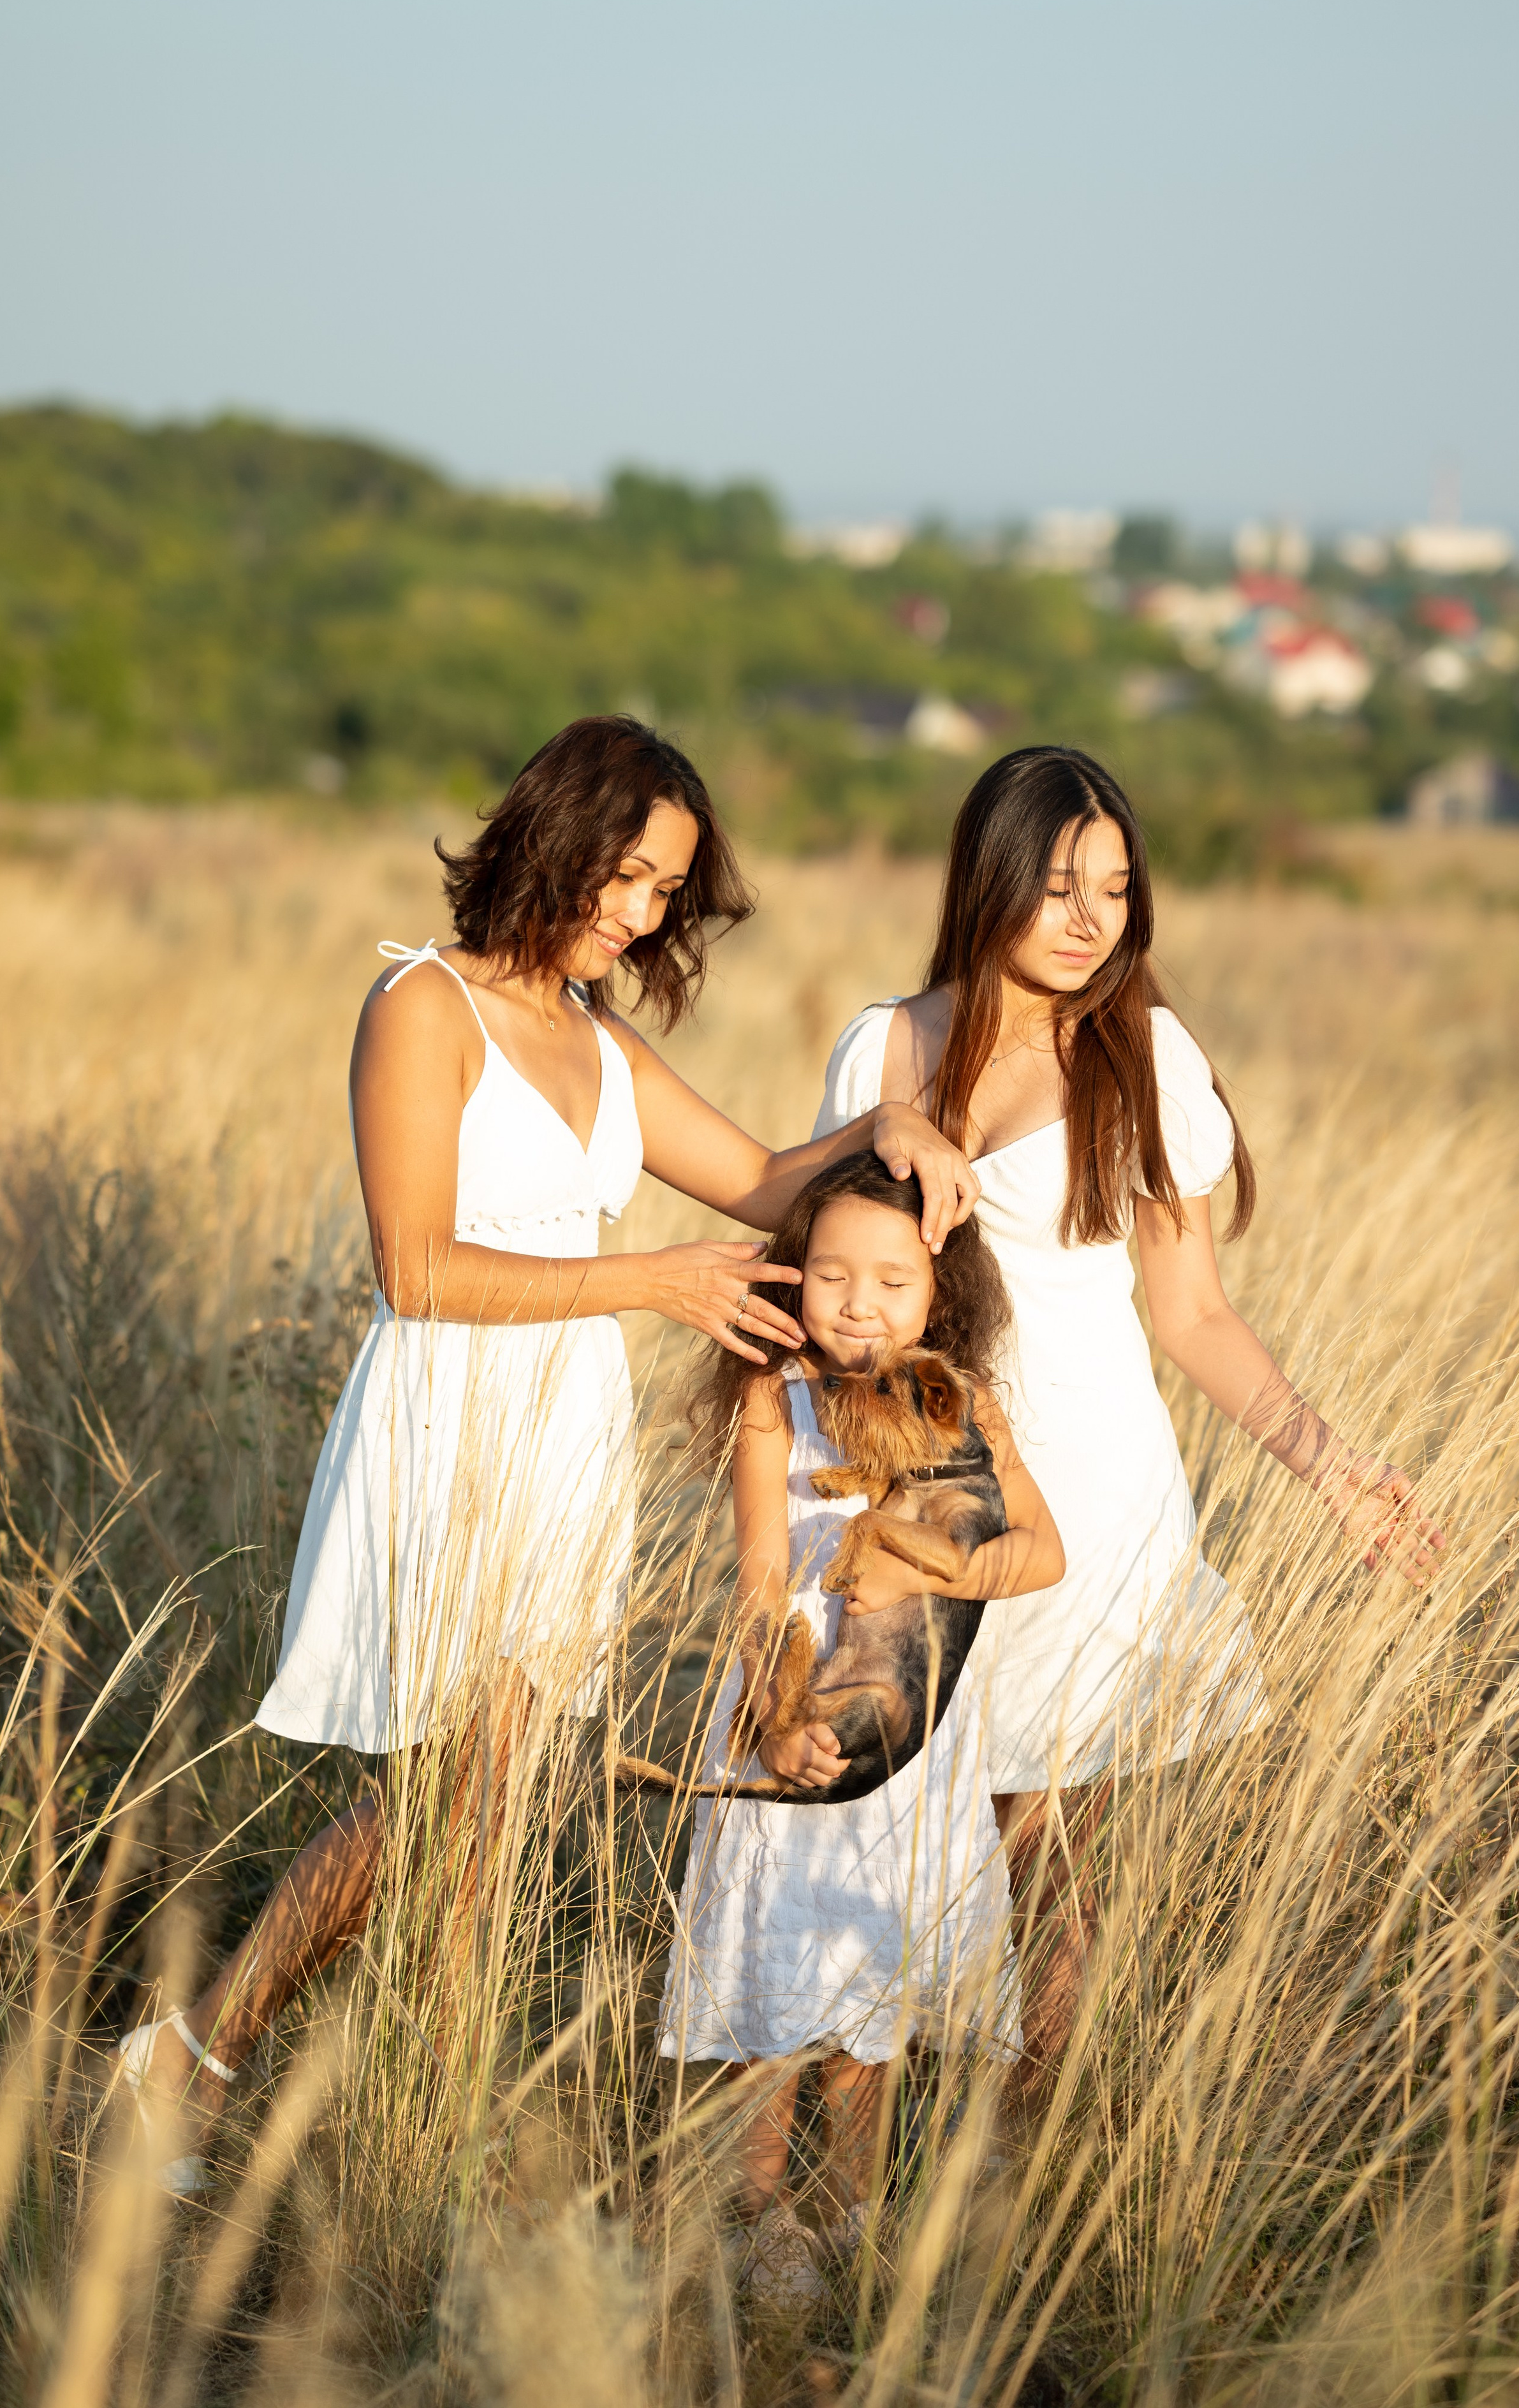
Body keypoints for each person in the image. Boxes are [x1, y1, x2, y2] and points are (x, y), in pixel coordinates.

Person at [114, 715, 979, 2192]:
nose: (641, 913)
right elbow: (414, 1268)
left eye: (665, 892)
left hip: (564, 1429)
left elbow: (770, 1179)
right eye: (629, 875)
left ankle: (389, 2104)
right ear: (557, 836)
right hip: (449, 1414)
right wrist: (649, 1278)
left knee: (497, 1795)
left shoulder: (598, 1041)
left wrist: (882, 1119)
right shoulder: (423, 1004)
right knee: (469, 1783)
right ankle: (198, 2057)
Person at [813, 745, 1446, 2074]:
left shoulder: (1142, 1054)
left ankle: (1014, 2180)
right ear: (988, 881)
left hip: (1090, 1496)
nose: (1090, 917)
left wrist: (1331, 1470)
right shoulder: (883, 1044)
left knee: (1043, 1864)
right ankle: (860, 2180)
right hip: (916, 1491)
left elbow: (1192, 1313)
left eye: (1113, 886)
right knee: (883, 1837)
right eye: (1055, 885)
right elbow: (832, 1277)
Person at [657, 1149, 1064, 2306]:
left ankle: (851, 2206)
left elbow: (1042, 1552)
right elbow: (757, 1581)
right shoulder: (770, 1394)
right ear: (794, 1281)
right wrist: (774, 1724)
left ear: (940, 1290)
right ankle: (760, 2206)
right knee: (776, 1978)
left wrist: (920, 1561)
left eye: (892, 1281)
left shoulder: (962, 1405)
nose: (859, 1305)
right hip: (794, 1717)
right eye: (831, 1276)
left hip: (913, 1733)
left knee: (871, 1972)